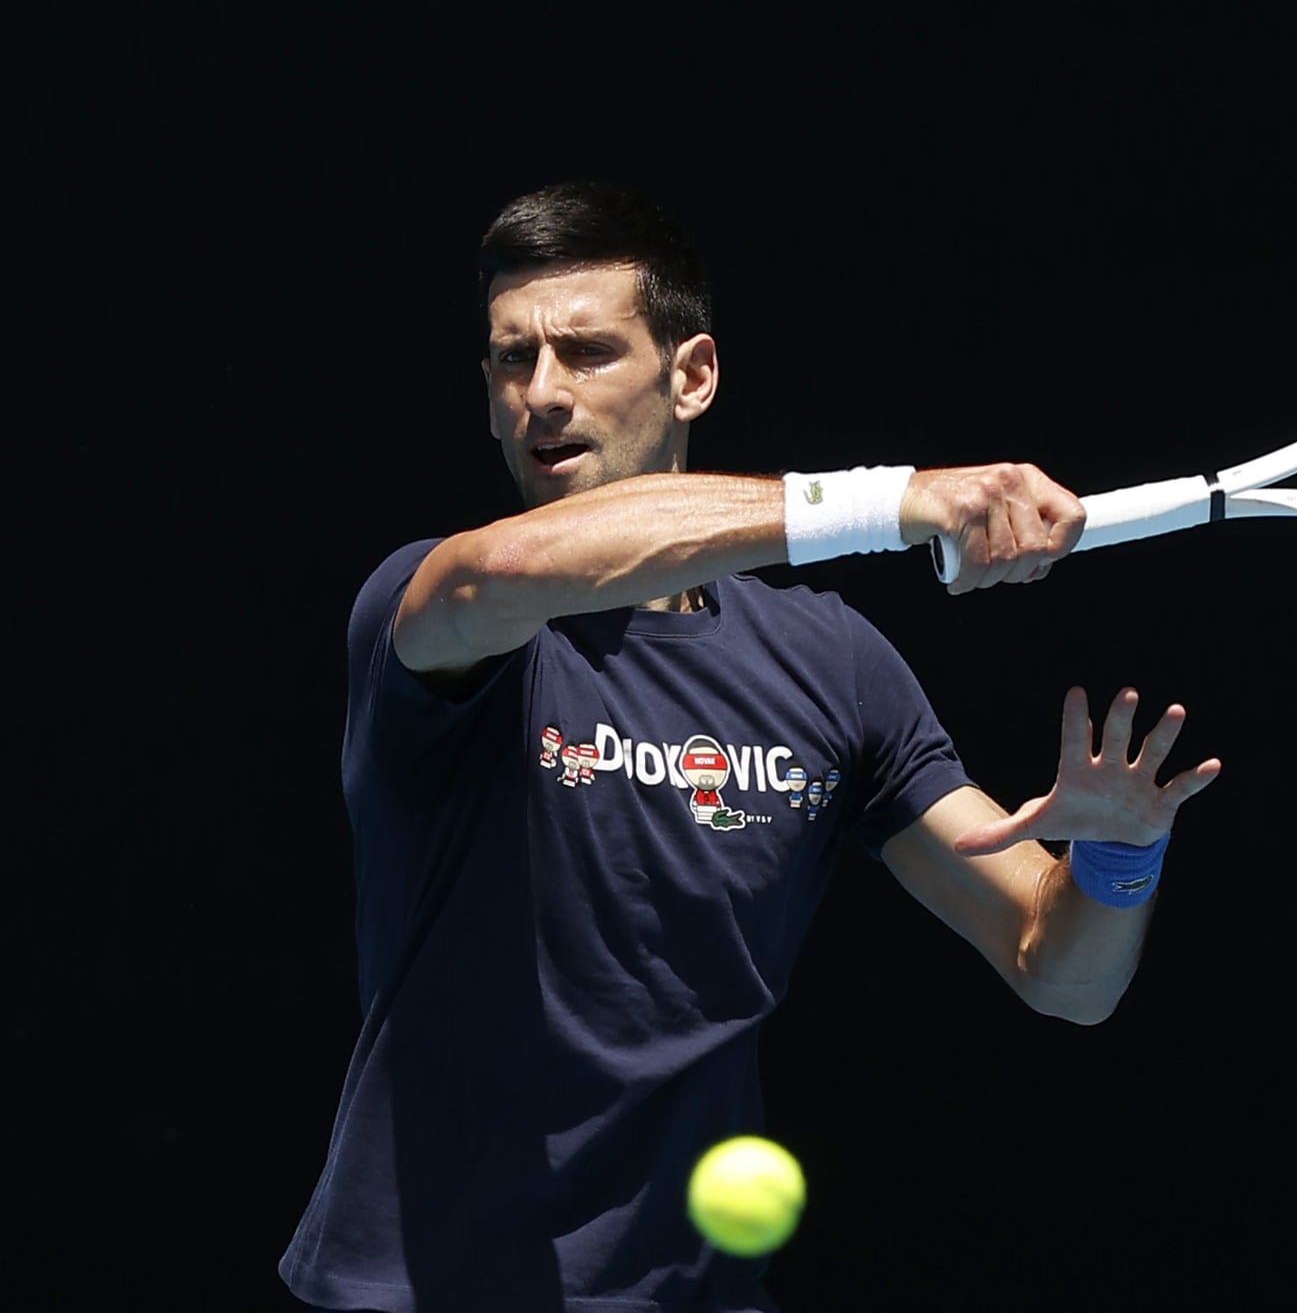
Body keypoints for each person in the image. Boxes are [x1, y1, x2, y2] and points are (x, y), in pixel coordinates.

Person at [279, 180, 1222, 1312]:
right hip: (416, 1291)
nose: (539, 395)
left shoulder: (831, 665)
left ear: (693, 376)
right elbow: (511, 569)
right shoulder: (432, 603)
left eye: (584, 353)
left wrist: (1116, 860)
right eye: (508, 361)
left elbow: (1056, 971)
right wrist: (901, 500)